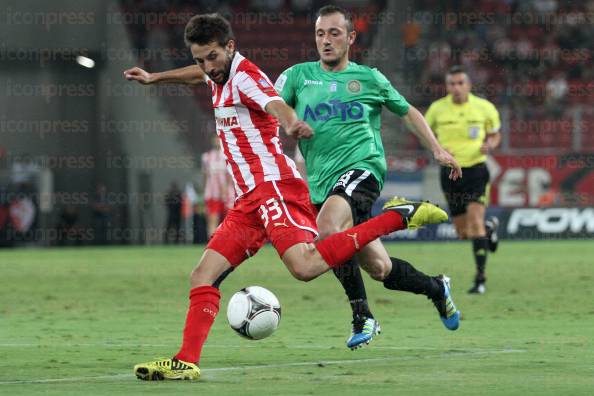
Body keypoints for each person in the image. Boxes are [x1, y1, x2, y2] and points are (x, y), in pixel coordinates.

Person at [124, 13, 459, 381]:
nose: (207, 67)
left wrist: (290, 122)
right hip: (250, 199)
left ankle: (399, 218)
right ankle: (186, 360)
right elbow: (199, 74)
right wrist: (156, 78)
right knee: (203, 274)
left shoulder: (247, 77)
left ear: (230, 48)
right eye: (201, 58)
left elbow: (272, 101)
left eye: (212, 58)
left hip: (276, 187)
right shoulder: (222, 72)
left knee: (305, 266)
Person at [277, 5, 463, 349]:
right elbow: (271, 107)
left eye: (334, 33)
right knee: (381, 269)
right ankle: (438, 288)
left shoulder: (370, 78)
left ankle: (362, 315)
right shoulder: (297, 77)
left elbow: (407, 112)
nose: (326, 41)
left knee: (328, 228)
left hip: (363, 169)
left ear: (350, 38)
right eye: (320, 34)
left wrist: (436, 149)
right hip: (322, 181)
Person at [425, 65, 502, 294]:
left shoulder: (484, 107)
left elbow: (496, 133)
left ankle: (480, 279)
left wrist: (491, 145)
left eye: (461, 83)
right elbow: (425, 133)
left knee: (475, 222)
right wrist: (436, 147)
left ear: (468, 85)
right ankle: (489, 230)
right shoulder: (437, 109)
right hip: (450, 173)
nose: (456, 88)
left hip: (476, 169)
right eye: (452, 84)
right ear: (447, 86)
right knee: (463, 233)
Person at [201, 136, 234, 238]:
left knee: (229, 220)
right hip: (212, 193)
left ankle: (229, 242)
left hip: (227, 194)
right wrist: (203, 191)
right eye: (215, 140)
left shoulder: (228, 156)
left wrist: (227, 187)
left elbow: (230, 174)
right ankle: (212, 243)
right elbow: (205, 175)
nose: (217, 142)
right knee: (212, 218)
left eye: (218, 140)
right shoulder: (206, 157)